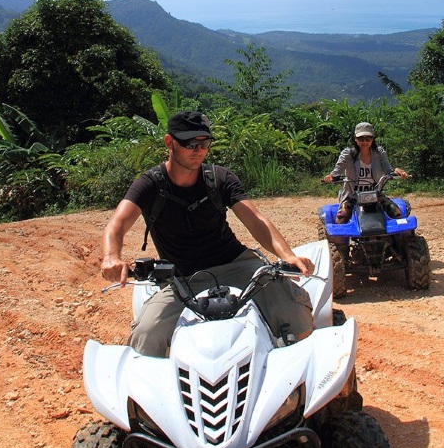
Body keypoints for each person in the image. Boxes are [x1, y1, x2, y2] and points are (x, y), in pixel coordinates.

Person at [101, 110, 315, 357]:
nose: (199, 150)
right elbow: (117, 224)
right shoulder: (150, 184)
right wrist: (110, 257)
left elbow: (255, 220)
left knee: (291, 311)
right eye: (190, 143)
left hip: (236, 265)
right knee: (147, 336)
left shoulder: (220, 178)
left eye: (205, 143)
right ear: (169, 142)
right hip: (181, 279)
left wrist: (287, 255)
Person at [322, 121, 410, 223]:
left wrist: (398, 172)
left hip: (375, 193)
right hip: (353, 195)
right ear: (355, 138)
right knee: (342, 215)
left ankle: (401, 236)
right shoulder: (348, 154)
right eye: (361, 138)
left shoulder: (379, 153)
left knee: (395, 211)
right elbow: (337, 171)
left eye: (368, 138)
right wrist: (330, 177)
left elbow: (388, 170)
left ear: (373, 138)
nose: (364, 141)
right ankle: (337, 238)